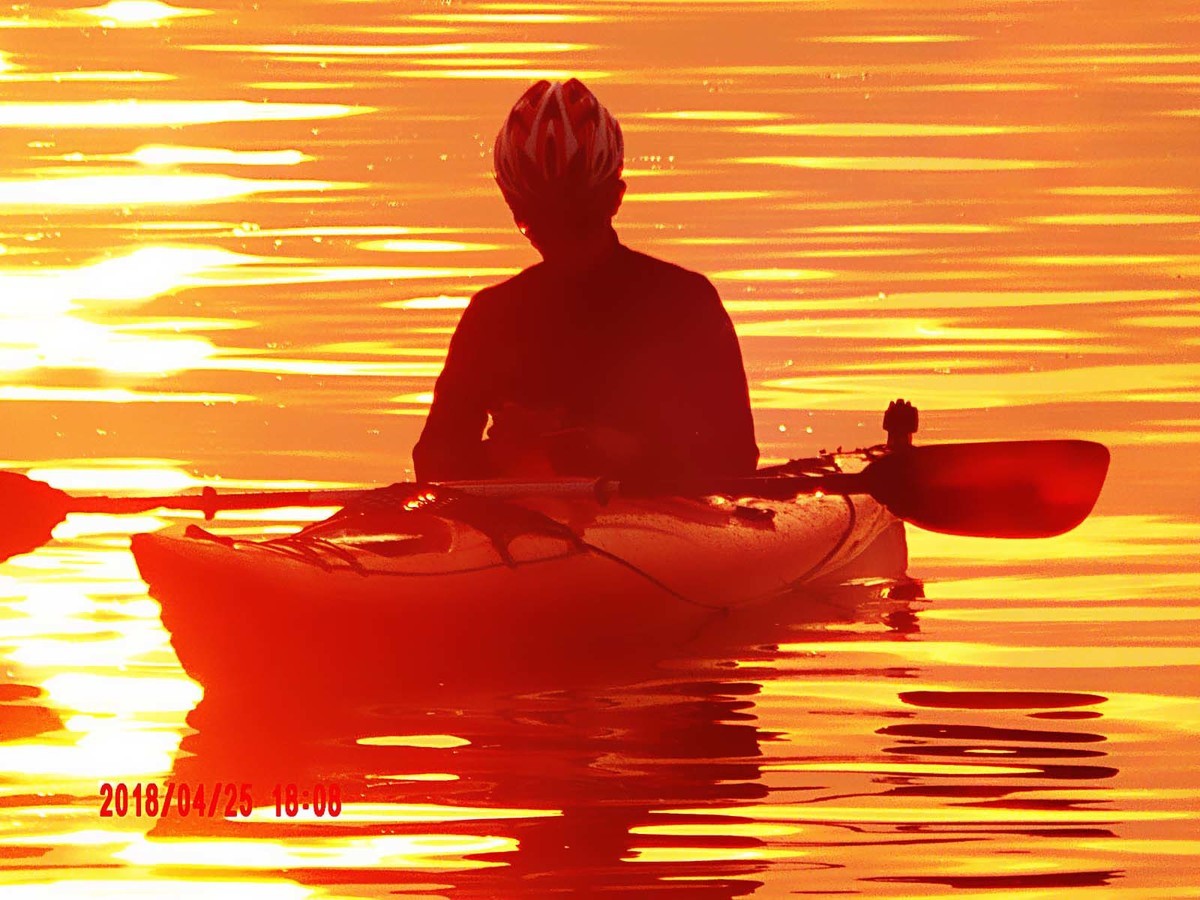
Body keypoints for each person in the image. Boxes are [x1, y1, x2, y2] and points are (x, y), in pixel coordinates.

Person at [413, 79, 759, 482]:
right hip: (521, 527)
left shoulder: (683, 304)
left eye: (576, 220)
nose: (559, 240)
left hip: (664, 530)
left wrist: (620, 450)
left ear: (614, 199)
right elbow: (434, 461)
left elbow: (732, 456)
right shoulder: (491, 315)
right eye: (537, 220)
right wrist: (501, 455)